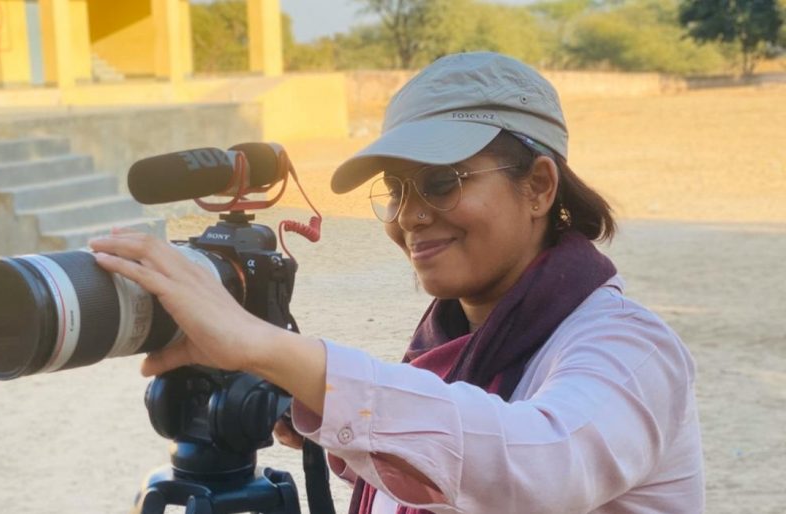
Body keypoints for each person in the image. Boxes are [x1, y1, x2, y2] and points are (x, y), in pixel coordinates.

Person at [89, 52, 704, 513]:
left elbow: (538, 464)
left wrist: (266, 346)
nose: (410, 216)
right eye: (398, 190)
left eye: (441, 182)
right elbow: (441, 455)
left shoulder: (629, 350)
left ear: (540, 185)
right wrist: (311, 405)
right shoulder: (448, 350)